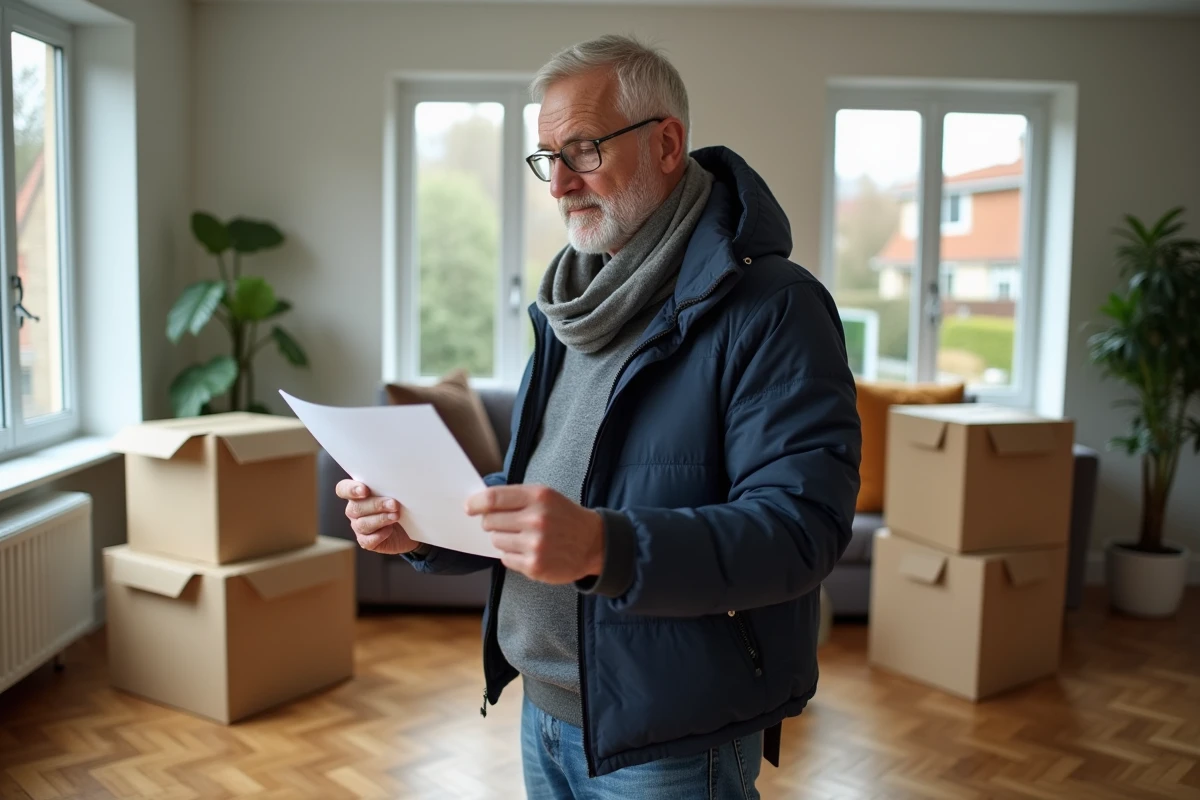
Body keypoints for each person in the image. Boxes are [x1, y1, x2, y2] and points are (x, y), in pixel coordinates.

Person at [336, 34, 860, 800]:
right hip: (544, 710)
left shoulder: (774, 307)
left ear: (667, 144)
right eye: (548, 158)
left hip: (671, 735)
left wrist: (604, 545)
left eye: (582, 150)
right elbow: (542, 489)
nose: (558, 185)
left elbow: (800, 528)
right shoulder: (572, 306)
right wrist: (422, 523)